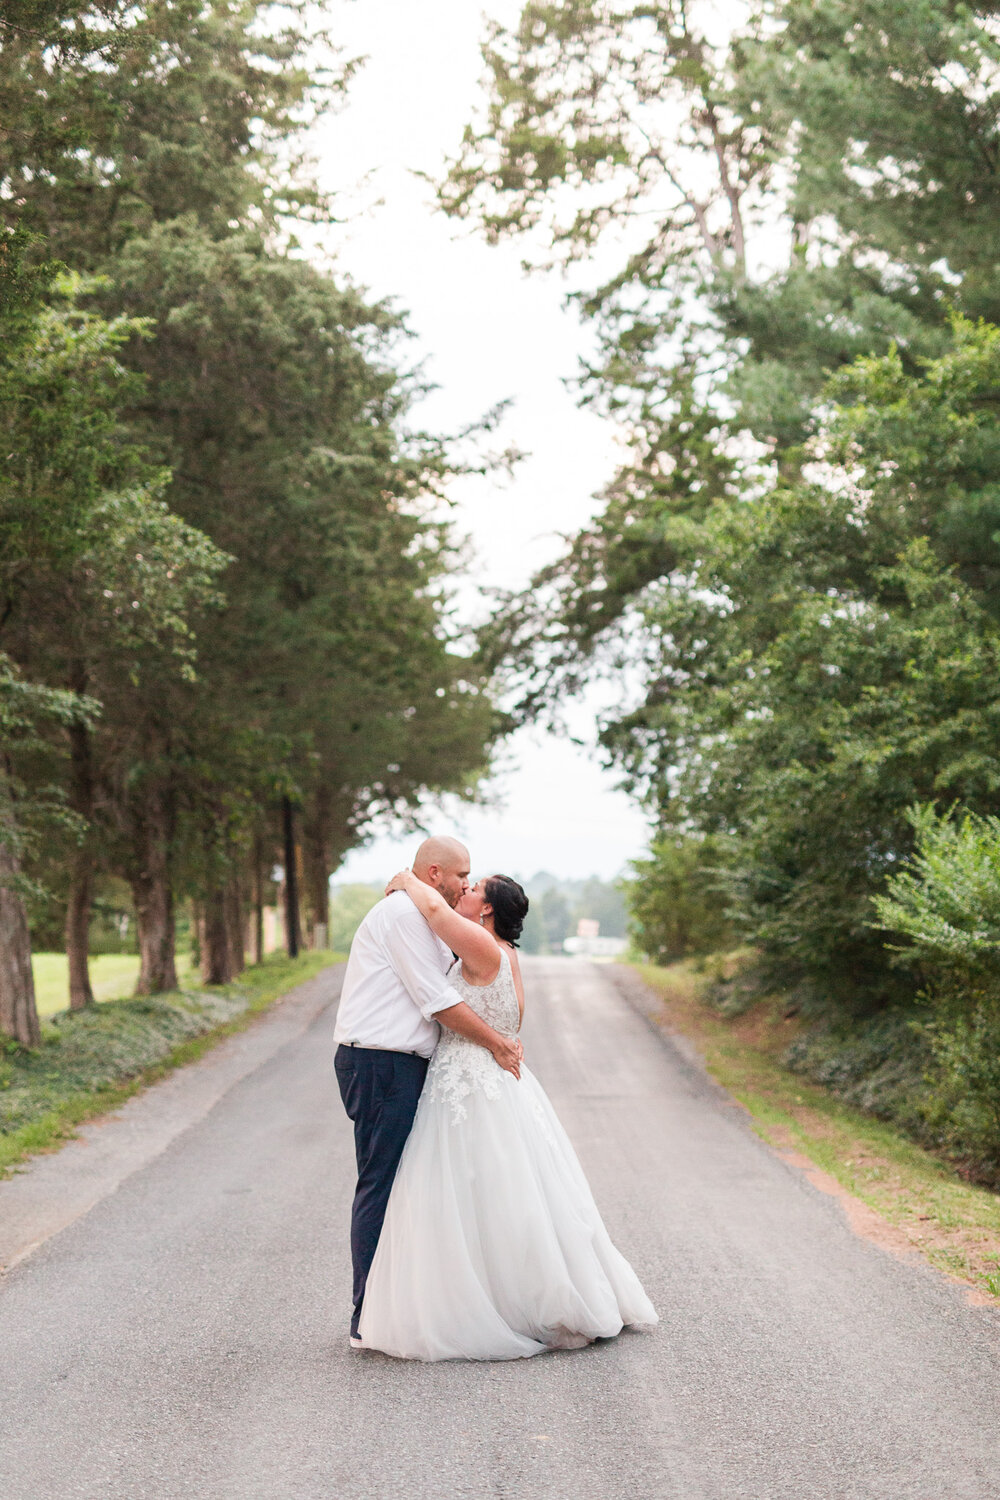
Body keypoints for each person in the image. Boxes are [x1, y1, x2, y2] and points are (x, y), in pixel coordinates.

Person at [356, 867, 658, 1361]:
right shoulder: (509, 957)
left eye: (473, 889)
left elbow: (432, 910)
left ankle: (501, 1304)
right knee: (502, 1191)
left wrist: (406, 879)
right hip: (492, 1076)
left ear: (488, 909)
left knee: (471, 1191)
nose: (465, 891)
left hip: (469, 1080)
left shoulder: (480, 945)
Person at [334, 836, 523, 1349]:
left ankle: (408, 1305)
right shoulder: (401, 916)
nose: (467, 881)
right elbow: (437, 1000)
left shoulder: (429, 916)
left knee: (411, 1187)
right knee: (383, 1183)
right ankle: (367, 1316)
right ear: (435, 872)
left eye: (473, 878)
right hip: (379, 1062)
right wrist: (498, 1044)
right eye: (463, 873)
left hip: (406, 1065)